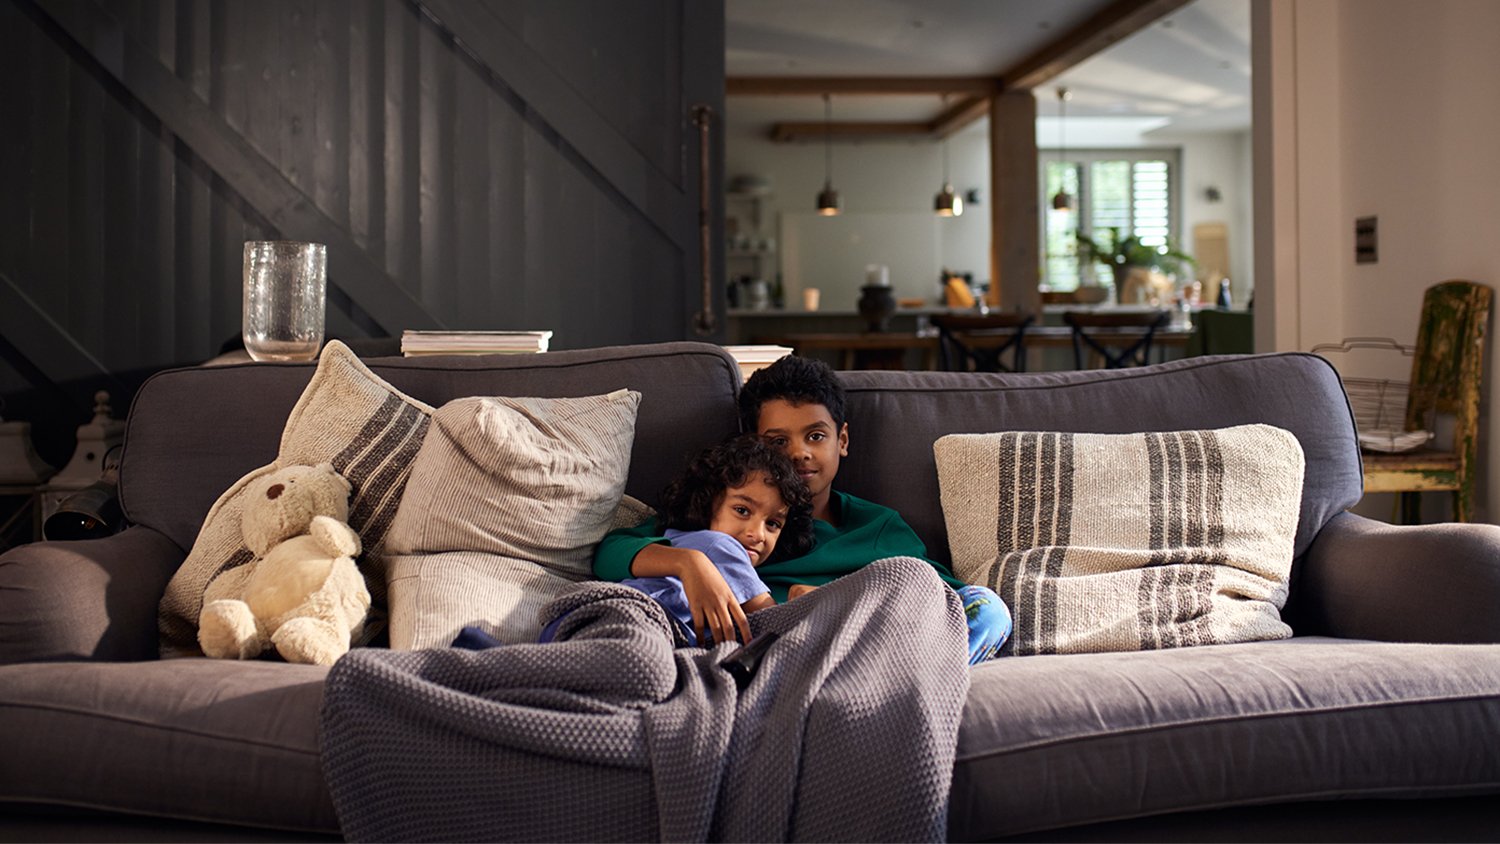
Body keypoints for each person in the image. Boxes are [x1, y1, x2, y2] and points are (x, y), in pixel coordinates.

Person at [594, 355, 1010, 663]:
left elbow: (942, 597)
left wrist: (842, 603)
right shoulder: (721, 511)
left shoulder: (877, 527)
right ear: (753, 445)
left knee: (989, 608)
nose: (799, 453)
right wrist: (691, 563)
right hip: (761, 648)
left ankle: (891, 669)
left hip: (857, 642)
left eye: (815, 436)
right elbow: (609, 554)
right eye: (778, 442)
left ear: (841, 440)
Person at [619, 433, 813, 646]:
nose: (757, 534)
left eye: (773, 524)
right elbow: (775, 624)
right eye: (742, 510)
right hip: (635, 618)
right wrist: (809, 602)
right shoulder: (721, 546)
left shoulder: (681, 540)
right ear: (707, 504)